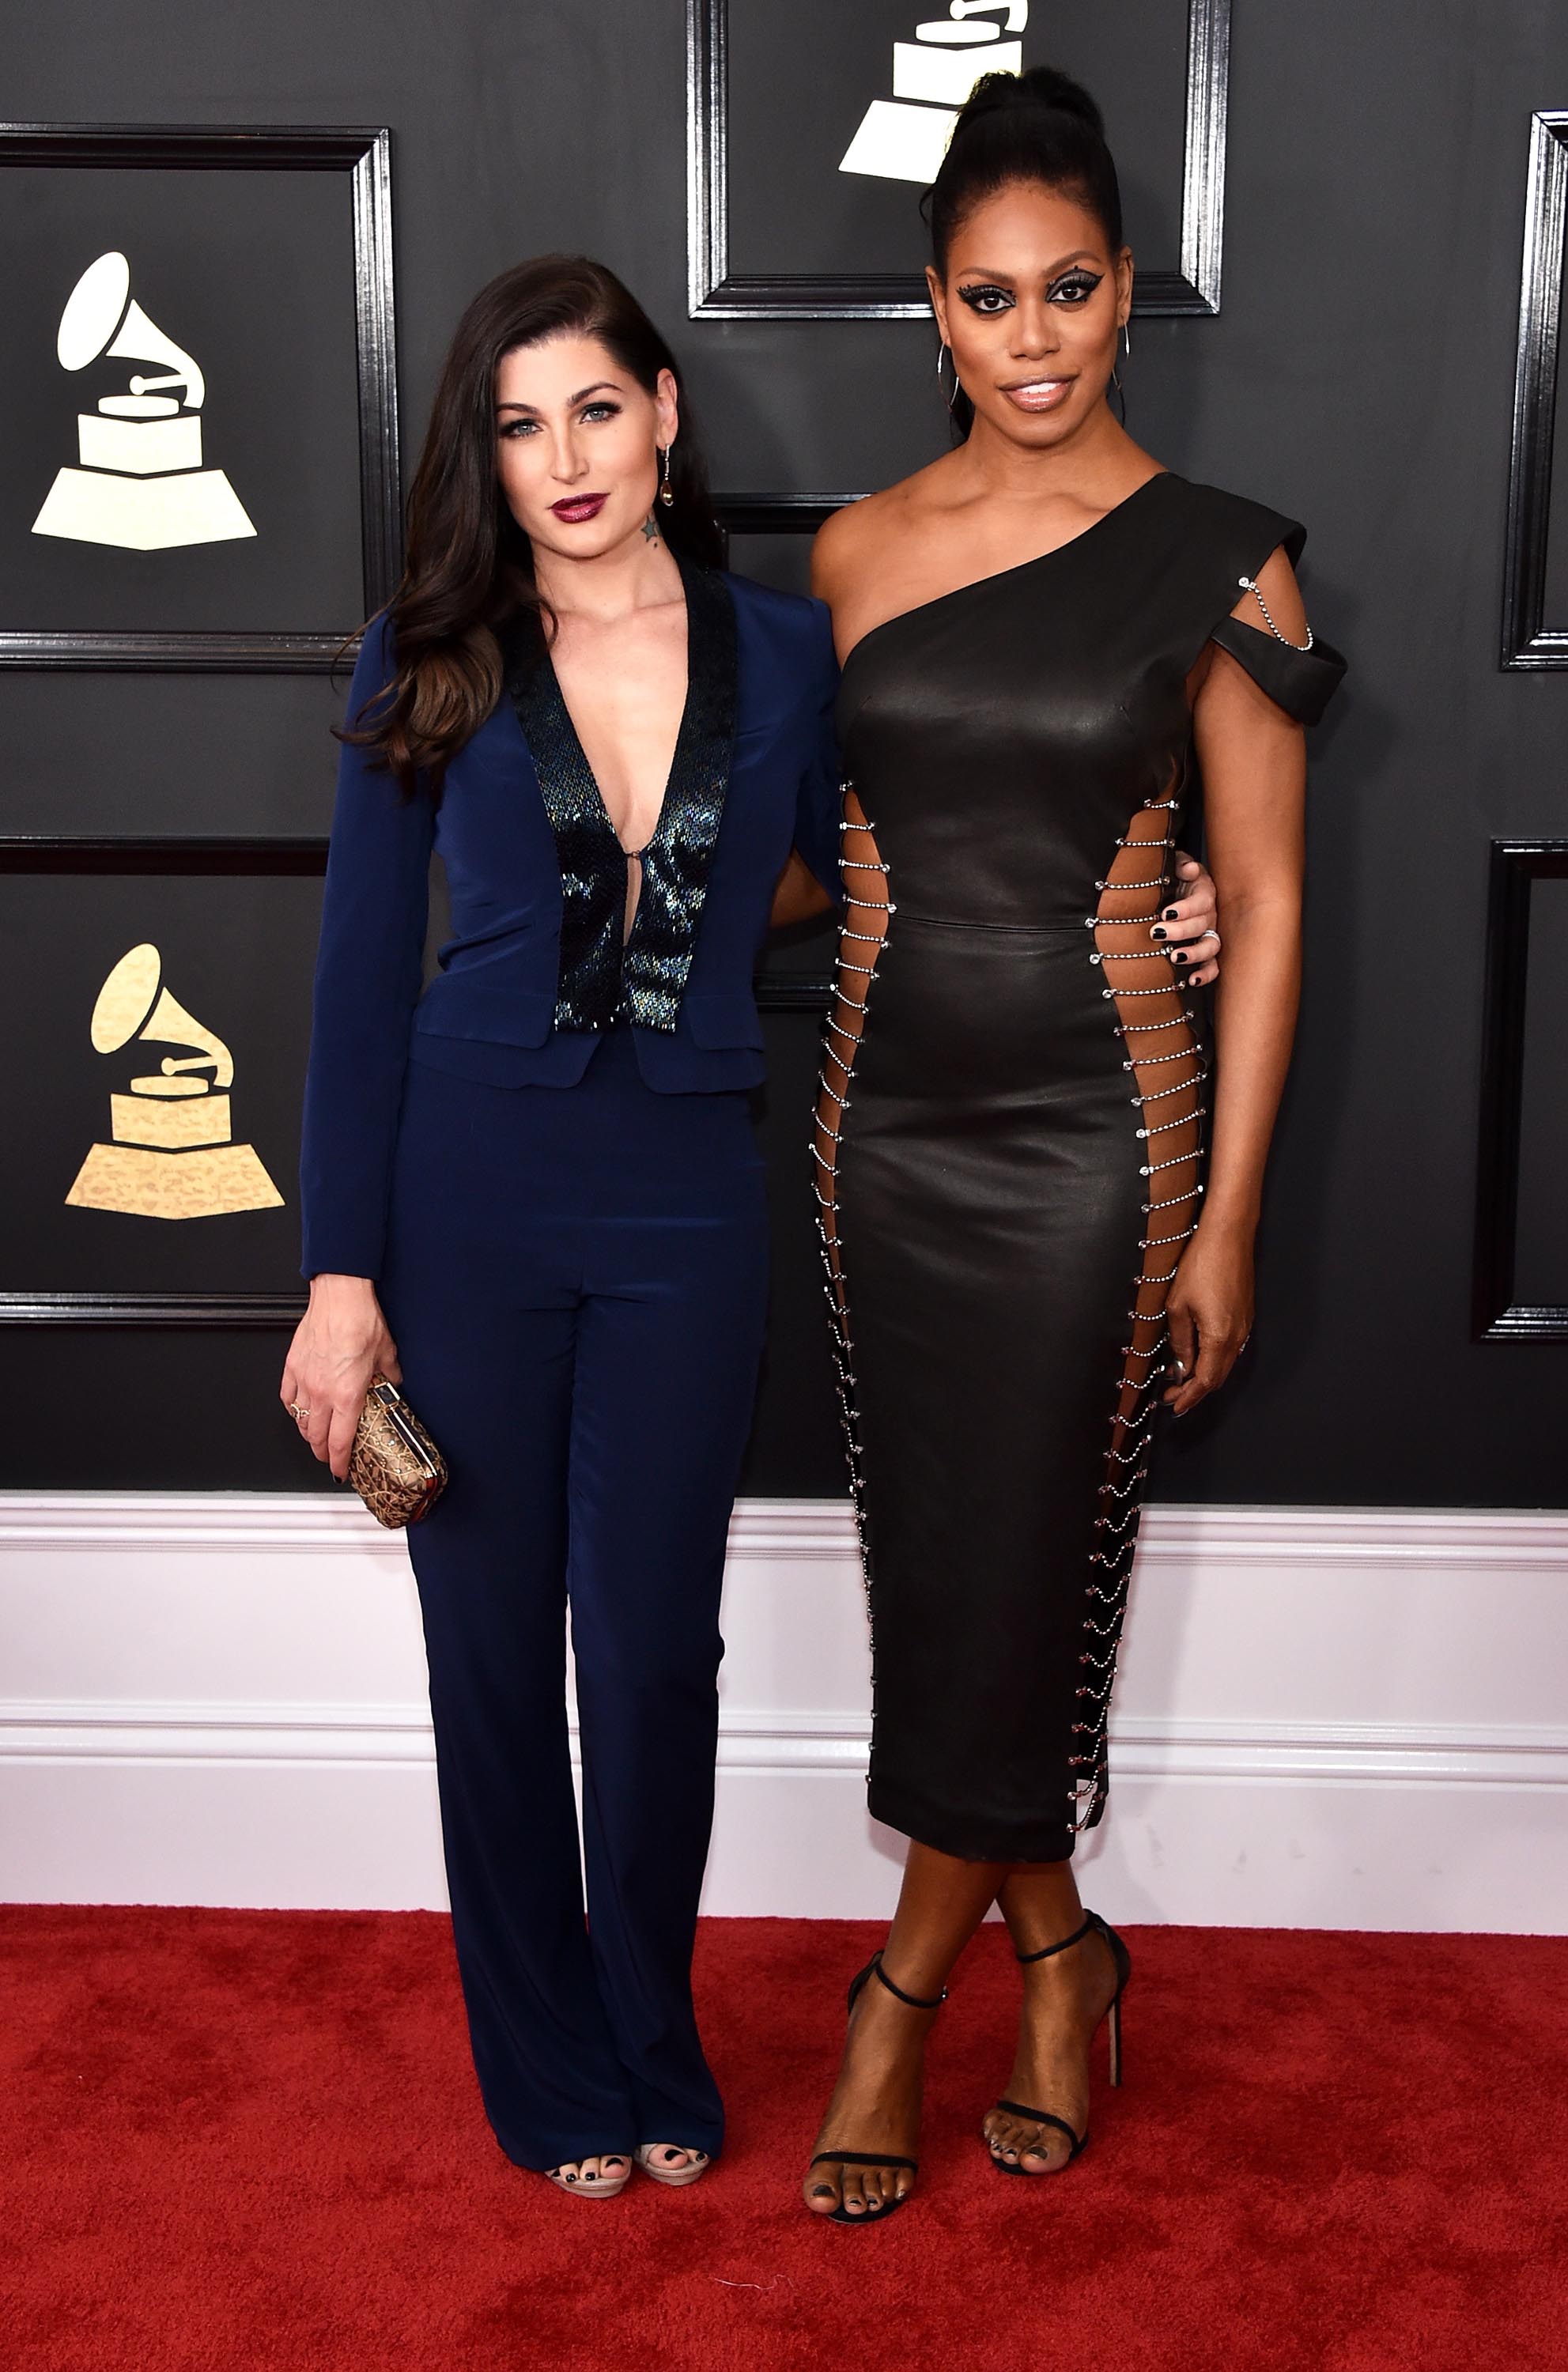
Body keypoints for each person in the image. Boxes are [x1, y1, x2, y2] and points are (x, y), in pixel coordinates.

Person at [800, 67, 1346, 2223]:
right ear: (931, 315)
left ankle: (897, 1999)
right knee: (945, 1578)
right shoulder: (849, 555)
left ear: (1132, 296)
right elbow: (795, 861)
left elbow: (1275, 899)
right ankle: (1064, 1951)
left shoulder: (1232, 561)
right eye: (986, 298)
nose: (1032, 340)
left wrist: (1228, 1227)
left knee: (1027, 1566)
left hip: (1097, 1143)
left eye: (1072, 292)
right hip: (879, 1136)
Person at [280, 255, 848, 2199]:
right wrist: (338, 1278)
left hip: (691, 1192)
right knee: (490, 1647)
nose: (563, 458)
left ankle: (650, 2028)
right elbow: (362, 980)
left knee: (653, 1653)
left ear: (666, 412)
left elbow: (855, 872)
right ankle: (539, 2058)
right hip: (469, 1192)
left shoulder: (788, 652)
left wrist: (1159, 902)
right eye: (518, 426)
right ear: (489, 458)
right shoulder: (423, 651)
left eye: (594, 409)